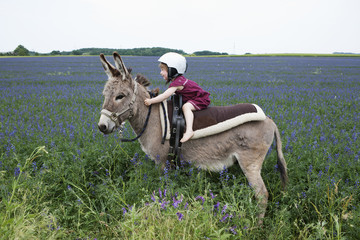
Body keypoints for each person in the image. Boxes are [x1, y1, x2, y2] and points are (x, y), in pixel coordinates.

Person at [144, 52, 210, 143]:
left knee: (186, 107)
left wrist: (151, 101)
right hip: (194, 97)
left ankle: (189, 131)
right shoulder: (178, 80)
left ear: (173, 70)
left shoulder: (177, 83)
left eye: (163, 69)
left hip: (200, 99)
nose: (161, 73)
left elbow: (164, 96)